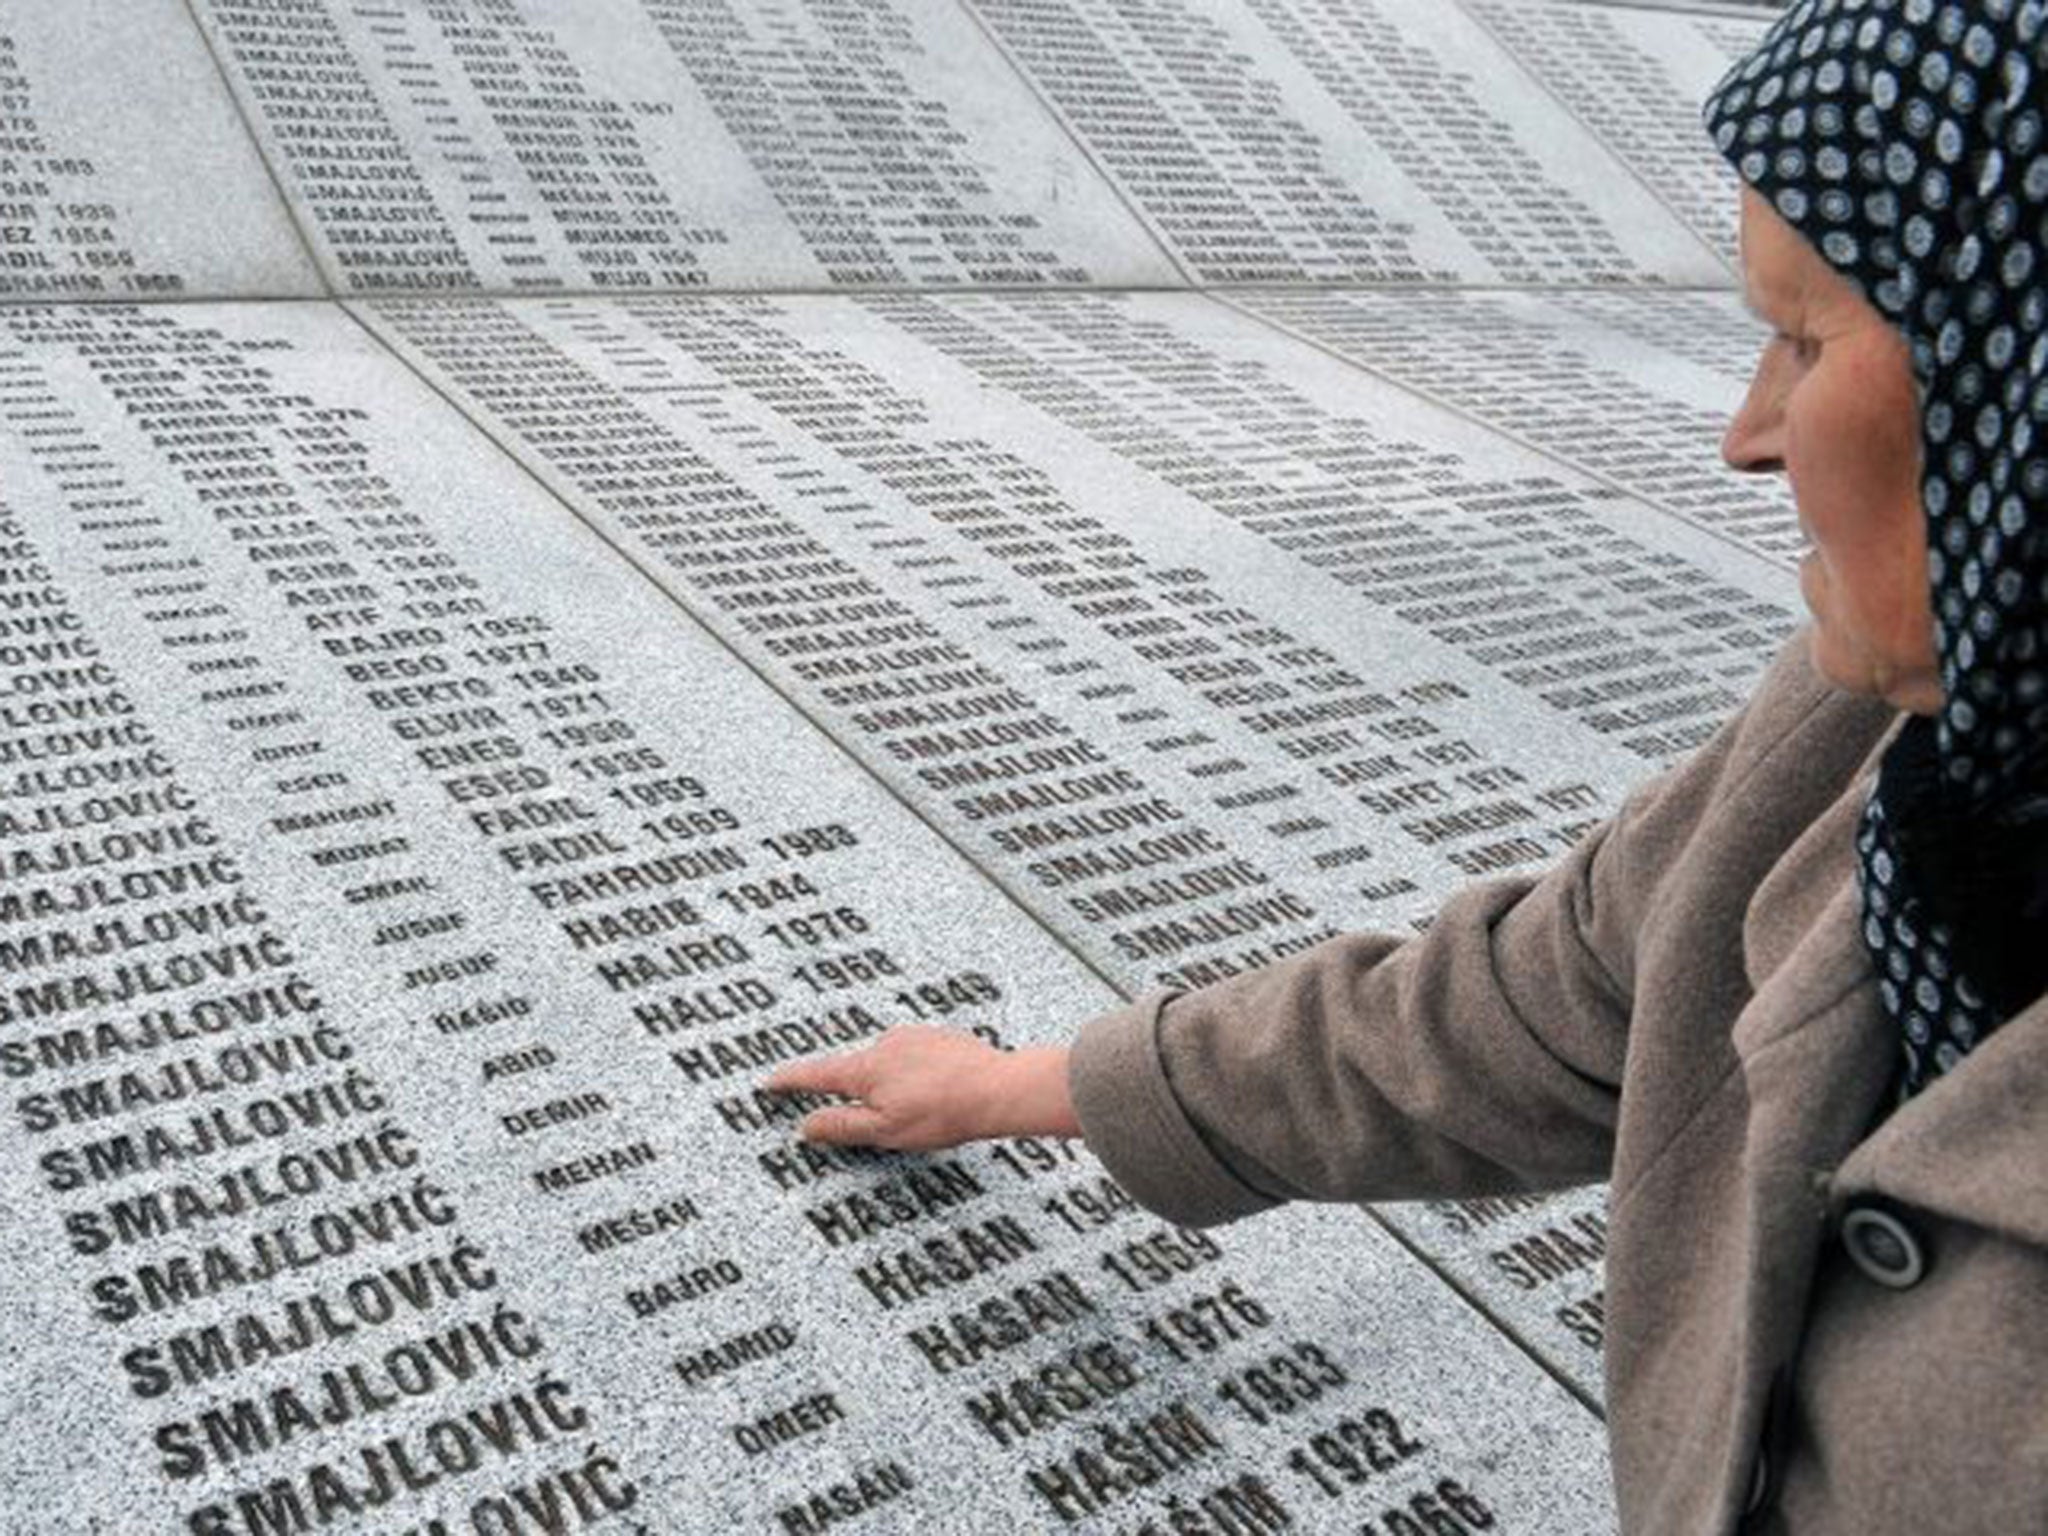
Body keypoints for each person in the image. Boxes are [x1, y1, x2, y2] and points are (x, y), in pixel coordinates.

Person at [766, 3, 2048, 1530]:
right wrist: (1046, 1089)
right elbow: (1564, 994)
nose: (1746, 437)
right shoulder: (1889, 710)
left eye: (1806, 337)